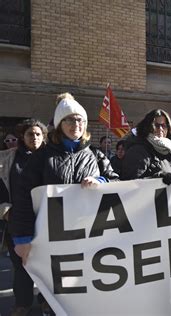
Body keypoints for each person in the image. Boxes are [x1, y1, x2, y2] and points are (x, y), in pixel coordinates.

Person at [8, 95, 118, 315]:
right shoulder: (42, 157)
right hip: (51, 235)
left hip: (88, 235)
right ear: (59, 124)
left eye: (80, 120)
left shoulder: (95, 154)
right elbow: (22, 197)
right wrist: (22, 238)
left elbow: (116, 182)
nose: (76, 125)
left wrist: (101, 181)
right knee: (54, 287)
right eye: (70, 120)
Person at [0, 119, 47, 316]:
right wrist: (5, 210)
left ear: (44, 137)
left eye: (38, 134)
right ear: (22, 137)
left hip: (46, 222)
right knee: (21, 266)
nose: (34, 138)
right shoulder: (8, 159)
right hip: (17, 222)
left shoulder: (50, 157)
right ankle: (23, 303)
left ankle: (46, 301)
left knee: (46, 266)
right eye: (30, 134)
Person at [120, 109, 171, 183]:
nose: (160, 129)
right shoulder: (138, 151)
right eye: (156, 125)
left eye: (164, 125)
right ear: (147, 127)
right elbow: (130, 183)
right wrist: (156, 178)